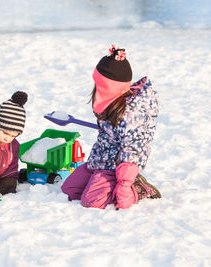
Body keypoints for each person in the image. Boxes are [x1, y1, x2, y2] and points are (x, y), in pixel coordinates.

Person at [61, 45, 161, 210]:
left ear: (111, 87)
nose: (97, 88)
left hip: (117, 166)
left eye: (101, 85)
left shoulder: (130, 113)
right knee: (69, 190)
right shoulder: (109, 102)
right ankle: (103, 183)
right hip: (100, 160)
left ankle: (138, 187)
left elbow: (133, 148)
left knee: (92, 201)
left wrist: (124, 183)